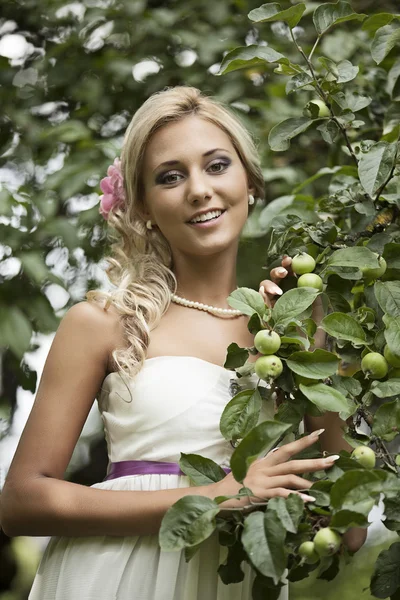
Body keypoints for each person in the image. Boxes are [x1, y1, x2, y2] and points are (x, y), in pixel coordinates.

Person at [0, 86, 363, 600]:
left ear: (250, 183)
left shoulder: (290, 336)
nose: (198, 189)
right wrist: (213, 497)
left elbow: (348, 531)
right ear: (144, 205)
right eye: (170, 177)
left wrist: (313, 346)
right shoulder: (105, 322)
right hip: (114, 580)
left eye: (217, 166)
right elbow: (20, 502)